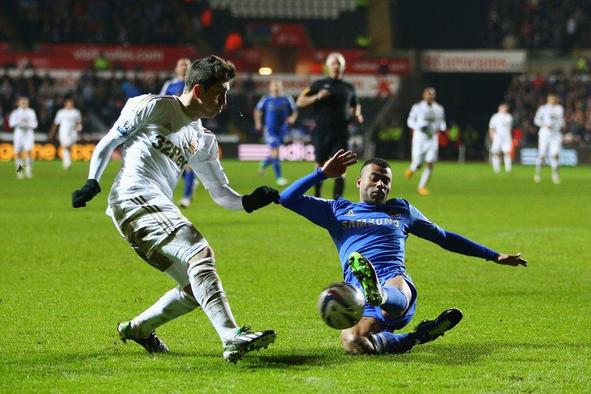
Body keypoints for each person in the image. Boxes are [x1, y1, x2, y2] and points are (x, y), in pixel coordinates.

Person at [71, 55, 278, 363]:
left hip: (150, 209)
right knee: (200, 253)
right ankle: (231, 336)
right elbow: (110, 140)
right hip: (133, 197)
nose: (224, 101)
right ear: (198, 90)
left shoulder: (203, 139)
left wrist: (248, 201)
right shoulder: (154, 106)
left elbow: (219, 193)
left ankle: (138, 329)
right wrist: (92, 182)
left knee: (196, 287)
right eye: (219, 93)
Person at [279, 150, 527, 355]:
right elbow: (286, 198)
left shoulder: (401, 210)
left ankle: (380, 294)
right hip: (357, 297)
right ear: (359, 182)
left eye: (386, 180)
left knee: (391, 297)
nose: (380, 184)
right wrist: (321, 173)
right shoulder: (338, 211)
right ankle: (417, 336)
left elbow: (443, 237)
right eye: (374, 178)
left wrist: (493, 255)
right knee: (354, 343)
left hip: (395, 284)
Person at [296, 52, 363, 199]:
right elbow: (300, 101)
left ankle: (337, 201)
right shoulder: (318, 84)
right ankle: (317, 197)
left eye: (339, 63)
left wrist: (357, 113)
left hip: (342, 132)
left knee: (341, 166)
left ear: (343, 67)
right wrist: (316, 97)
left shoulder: (348, 87)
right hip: (322, 131)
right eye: (333, 63)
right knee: (320, 165)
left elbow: (355, 104)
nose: (336, 66)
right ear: (327, 66)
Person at [160, 58, 198, 208]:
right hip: (172, 128)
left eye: (186, 65)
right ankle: (192, 181)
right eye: (181, 65)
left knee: (188, 164)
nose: (184, 67)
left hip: (190, 128)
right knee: (174, 162)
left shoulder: (196, 85)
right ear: (176, 69)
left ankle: (186, 197)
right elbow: (160, 102)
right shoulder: (169, 85)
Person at [254, 79, 298, 186]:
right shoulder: (266, 99)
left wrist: (292, 118)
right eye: (274, 85)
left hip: (283, 130)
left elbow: (295, 111)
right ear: (270, 87)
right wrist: (258, 123)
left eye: (278, 85)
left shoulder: (287, 98)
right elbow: (257, 110)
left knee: (276, 153)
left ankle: (264, 163)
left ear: (281, 87)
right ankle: (279, 178)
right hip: (270, 130)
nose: (276, 87)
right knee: (276, 152)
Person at [404, 87, 446, 195]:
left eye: (432, 94)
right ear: (424, 95)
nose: (430, 96)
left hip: (432, 139)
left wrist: (441, 128)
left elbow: (441, 122)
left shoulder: (439, 108)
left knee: (430, 162)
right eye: (428, 94)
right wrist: (418, 127)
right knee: (417, 162)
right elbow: (410, 121)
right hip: (420, 138)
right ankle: (413, 168)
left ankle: (421, 187)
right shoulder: (417, 107)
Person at [533, 93, 565, 184]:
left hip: (556, 134)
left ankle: (555, 175)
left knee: (555, 155)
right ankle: (537, 173)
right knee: (542, 154)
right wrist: (544, 125)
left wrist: (563, 124)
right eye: (551, 99)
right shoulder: (543, 108)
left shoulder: (559, 108)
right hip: (545, 134)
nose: (552, 100)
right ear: (548, 100)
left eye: (554, 99)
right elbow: (536, 120)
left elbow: (561, 120)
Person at [48, 97, 83, 170]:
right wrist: (52, 133)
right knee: (65, 146)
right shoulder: (61, 112)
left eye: (71, 104)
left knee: (69, 147)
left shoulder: (76, 112)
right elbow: (56, 123)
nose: (69, 105)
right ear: (65, 104)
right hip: (63, 132)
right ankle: (67, 163)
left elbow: (79, 122)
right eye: (68, 103)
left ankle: (67, 160)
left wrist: (79, 128)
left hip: (73, 132)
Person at [9, 96, 37, 179]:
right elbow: (11, 123)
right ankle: (20, 171)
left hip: (28, 134)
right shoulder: (15, 113)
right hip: (19, 134)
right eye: (22, 102)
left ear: (28, 103)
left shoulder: (31, 112)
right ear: (18, 103)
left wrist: (27, 124)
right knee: (18, 153)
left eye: (25, 102)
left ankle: (28, 171)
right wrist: (20, 123)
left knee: (28, 152)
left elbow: (35, 124)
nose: (24, 104)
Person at [488, 103, 514, 174]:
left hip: (506, 137)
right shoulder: (495, 116)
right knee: (496, 153)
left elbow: (510, 128)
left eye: (505, 108)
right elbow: (491, 127)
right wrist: (492, 136)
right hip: (497, 137)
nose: (504, 109)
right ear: (499, 108)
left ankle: (508, 169)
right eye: (503, 108)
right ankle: (496, 169)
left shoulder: (509, 117)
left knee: (507, 153)